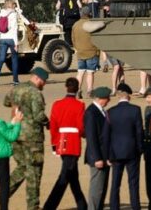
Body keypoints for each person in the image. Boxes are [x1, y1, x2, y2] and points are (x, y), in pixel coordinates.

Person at [4, 67, 50, 210]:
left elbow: (6, 102)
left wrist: (18, 106)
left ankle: (3, 194)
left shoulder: (16, 89)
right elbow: (38, 115)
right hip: (32, 138)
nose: (44, 84)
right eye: (44, 81)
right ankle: (33, 206)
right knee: (34, 172)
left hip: (15, 134)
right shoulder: (35, 93)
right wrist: (48, 122)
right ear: (37, 78)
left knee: (23, 167)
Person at [44, 77, 87, 210]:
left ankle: (82, 205)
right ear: (77, 88)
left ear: (66, 87)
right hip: (73, 143)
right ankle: (49, 206)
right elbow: (81, 127)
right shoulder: (80, 105)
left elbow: (53, 126)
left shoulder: (57, 104)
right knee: (65, 177)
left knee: (73, 177)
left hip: (61, 142)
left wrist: (54, 144)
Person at [106, 82, 143, 210]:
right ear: (128, 96)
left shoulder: (110, 112)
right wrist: (140, 150)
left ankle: (114, 207)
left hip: (115, 152)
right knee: (133, 183)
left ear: (118, 96)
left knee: (115, 183)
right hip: (132, 151)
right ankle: (135, 207)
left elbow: (107, 135)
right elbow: (139, 132)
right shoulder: (135, 110)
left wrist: (109, 154)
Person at [84, 86, 112, 210]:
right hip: (97, 157)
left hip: (103, 156)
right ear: (101, 99)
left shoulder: (100, 111)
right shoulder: (91, 112)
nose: (109, 100)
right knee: (97, 188)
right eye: (107, 98)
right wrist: (97, 158)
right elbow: (91, 138)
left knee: (102, 188)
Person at [0, 0, 29, 88]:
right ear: (11, 5)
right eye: (14, 4)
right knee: (14, 59)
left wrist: (2, 33)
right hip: (12, 39)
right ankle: (15, 80)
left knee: (1, 59)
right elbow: (14, 30)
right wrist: (16, 43)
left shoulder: (1, 13)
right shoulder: (14, 14)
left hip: (3, 39)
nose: (15, 6)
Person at [72, 5, 100, 98]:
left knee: (80, 72)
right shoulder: (91, 24)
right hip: (91, 52)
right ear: (89, 14)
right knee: (90, 72)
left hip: (80, 52)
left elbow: (73, 39)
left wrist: (77, 48)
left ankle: (78, 90)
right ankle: (89, 91)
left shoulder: (75, 25)